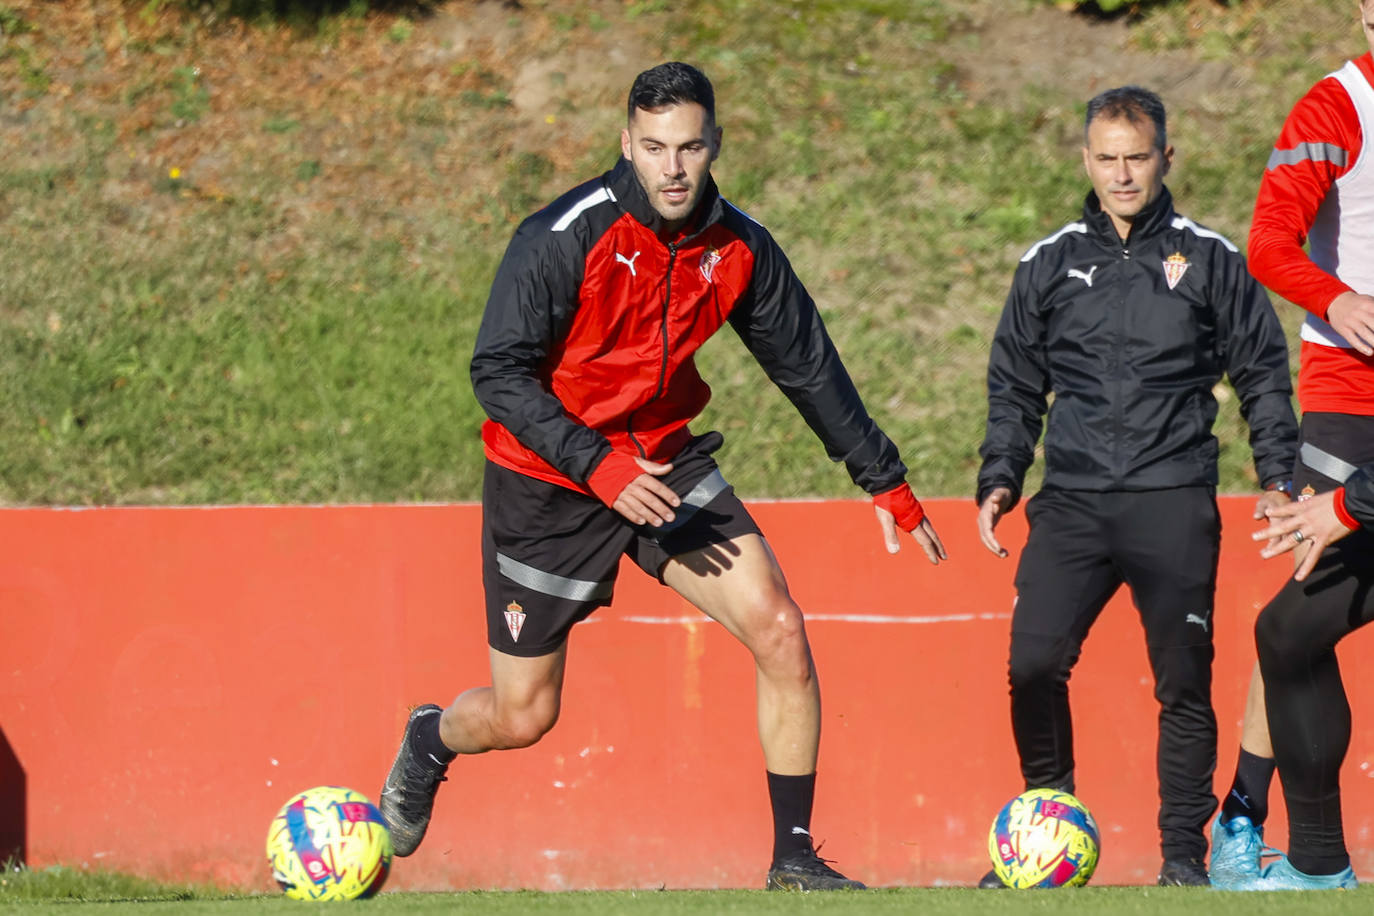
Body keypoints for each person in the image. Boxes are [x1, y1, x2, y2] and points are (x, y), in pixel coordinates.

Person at [376, 61, 946, 892]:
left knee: (780, 629)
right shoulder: (563, 235)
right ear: (627, 145)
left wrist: (885, 482)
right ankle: (430, 738)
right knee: (523, 714)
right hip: (550, 480)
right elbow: (497, 372)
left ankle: (792, 858)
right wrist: (596, 464)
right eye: (653, 148)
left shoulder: (739, 246)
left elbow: (809, 367)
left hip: (666, 464)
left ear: (714, 145)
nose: (672, 168)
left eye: (688, 147)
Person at [974, 85, 1299, 888]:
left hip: (1174, 497)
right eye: (1108, 159)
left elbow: (1261, 372)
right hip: (1074, 503)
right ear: (1087, 159)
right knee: (1033, 663)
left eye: (1138, 158)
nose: (1123, 175)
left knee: (1184, 679)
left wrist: (1279, 474)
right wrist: (1000, 477)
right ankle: (1045, 825)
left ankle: (1182, 859)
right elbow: (1015, 386)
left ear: (1165, 158)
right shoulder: (1046, 263)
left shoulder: (1212, 259)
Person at [1209, 0, 1374, 891]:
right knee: (1294, 628)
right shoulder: (1336, 106)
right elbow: (1268, 241)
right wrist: (1336, 298)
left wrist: (1348, 504)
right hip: (1350, 408)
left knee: (1290, 630)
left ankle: (1298, 851)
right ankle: (1297, 852)